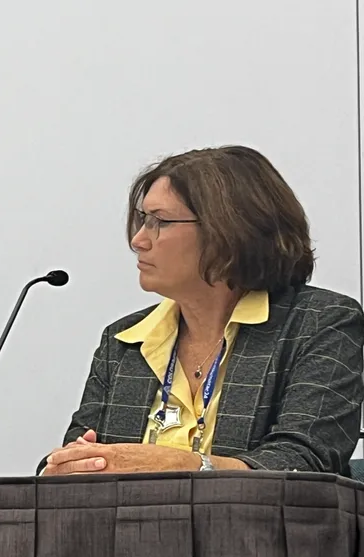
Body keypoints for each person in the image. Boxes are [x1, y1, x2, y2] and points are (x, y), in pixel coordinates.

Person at [43, 146, 364, 477]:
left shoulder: (321, 324)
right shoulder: (123, 342)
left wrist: (185, 464)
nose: (138, 240)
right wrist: (62, 470)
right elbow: (77, 453)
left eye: (161, 222)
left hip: (257, 528)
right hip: (129, 529)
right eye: (142, 220)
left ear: (230, 232)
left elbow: (305, 463)